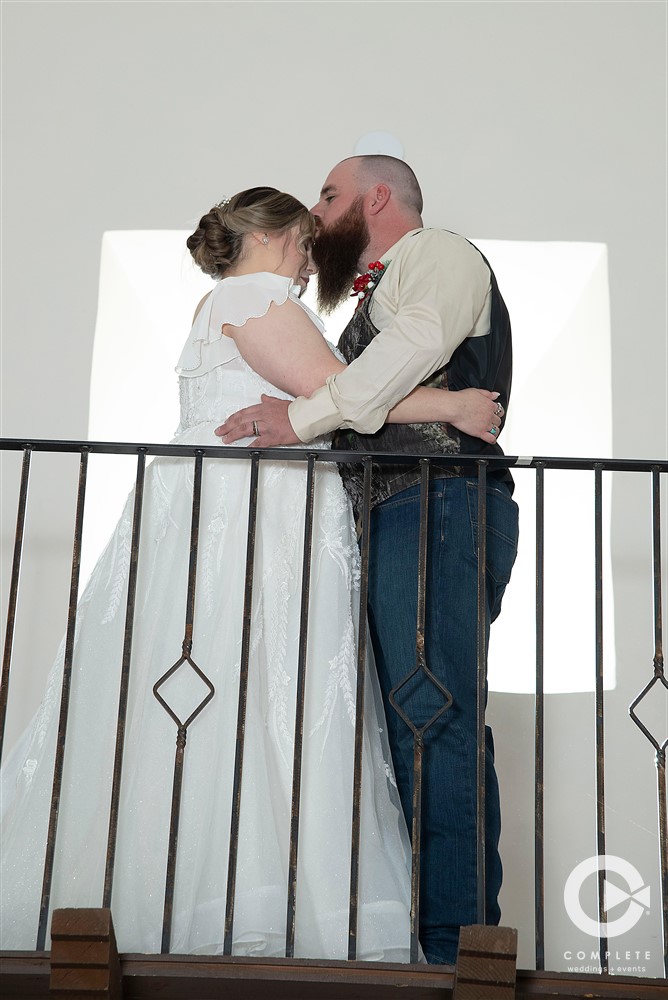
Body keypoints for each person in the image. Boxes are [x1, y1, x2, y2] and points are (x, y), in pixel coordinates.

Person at [0, 186, 501, 962]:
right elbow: (329, 392)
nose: (309, 262)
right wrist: (458, 404)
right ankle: (262, 897)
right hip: (256, 514)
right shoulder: (259, 296)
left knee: (230, 688)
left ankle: (210, 886)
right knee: (264, 680)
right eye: (304, 240)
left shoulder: (235, 301)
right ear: (270, 236)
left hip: (238, 507)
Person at [216, 159, 520, 966]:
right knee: (394, 724)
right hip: (390, 514)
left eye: (327, 196)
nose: (316, 217)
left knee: (430, 711)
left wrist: (304, 417)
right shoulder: (362, 295)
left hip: (439, 501)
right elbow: (370, 385)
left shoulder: (440, 255)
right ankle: (409, 935)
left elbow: (414, 347)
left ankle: (456, 947)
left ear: (376, 198)